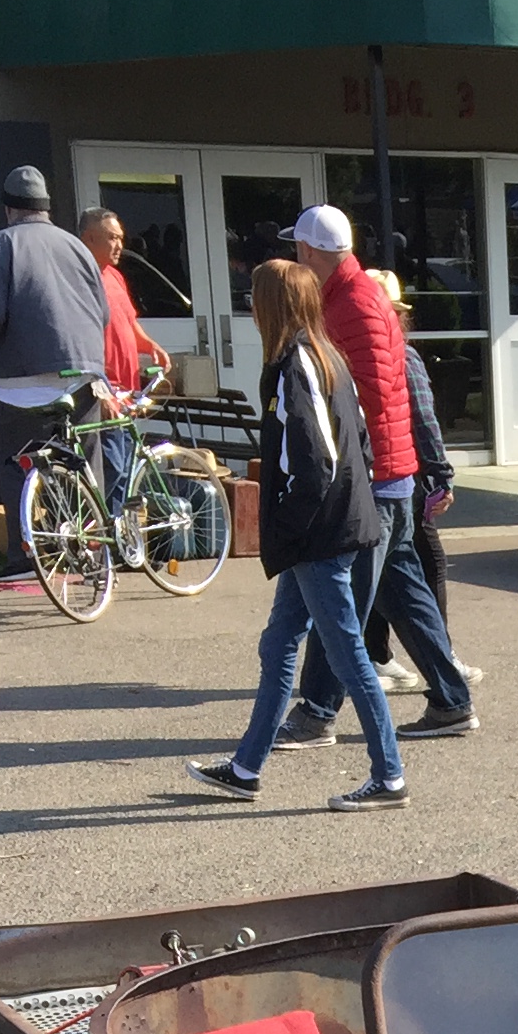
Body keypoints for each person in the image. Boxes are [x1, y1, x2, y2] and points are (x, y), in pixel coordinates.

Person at [185, 259, 405, 814]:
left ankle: (390, 776)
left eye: (253, 299)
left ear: (270, 306)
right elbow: (354, 440)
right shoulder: (324, 354)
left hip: (319, 534)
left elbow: (318, 464)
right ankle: (245, 768)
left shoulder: (296, 365)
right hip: (328, 529)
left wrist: (283, 525)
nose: (249, 310)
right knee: (280, 642)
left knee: (347, 653)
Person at [273, 205, 476, 749]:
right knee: (401, 594)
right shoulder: (358, 296)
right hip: (389, 476)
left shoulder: (351, 304)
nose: (296, 258)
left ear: (311, 253)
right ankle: (451, 701)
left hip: (374, 477)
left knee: (339, 605)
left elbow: (360, 396)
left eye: (299, 249)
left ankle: (316, 714)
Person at [0, 163, 111, 587]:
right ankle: (93, 554)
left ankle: (25, 556)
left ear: (8, 209)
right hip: (85, 369)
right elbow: (102, 312)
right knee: (83, 460)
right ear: (46, 207)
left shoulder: (0, 244)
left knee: (12, 460)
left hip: (27, 377)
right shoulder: (76, 245)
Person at [361, 268, 478, 696]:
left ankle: (378, 656)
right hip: (401, 478)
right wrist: (441, 474)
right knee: (424, 567)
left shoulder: (351, 351)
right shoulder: (402, 356)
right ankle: (441, 663)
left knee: (378, 572)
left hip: (373, 478)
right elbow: (424, 420)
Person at [81, 208, 170, 513]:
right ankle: (107, 543)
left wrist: (149, 345)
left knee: (127, 465)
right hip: (102, 386)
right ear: (89, 238)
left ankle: (123, 538)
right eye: (112, 238)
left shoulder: (115, 276)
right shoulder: (81, 279)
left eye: (120, 238)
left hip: (127, 389)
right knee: (112, 466)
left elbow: (128, 322)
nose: (119, 245)